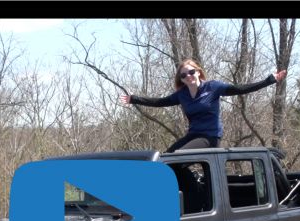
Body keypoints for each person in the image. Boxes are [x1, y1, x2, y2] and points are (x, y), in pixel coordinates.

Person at [120, 58, 287, 152]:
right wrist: (134, 99)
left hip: (210, 137)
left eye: (191, 72)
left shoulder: (213, 87)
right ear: (181, 79)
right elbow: (160, 102)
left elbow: (240, 89)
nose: (188, 76)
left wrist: (269, 80)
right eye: (184, 75)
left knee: (178, 157)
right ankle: (194, 190)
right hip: (193, 135)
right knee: (165, 159)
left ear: (198, 72)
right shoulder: (182, 94)